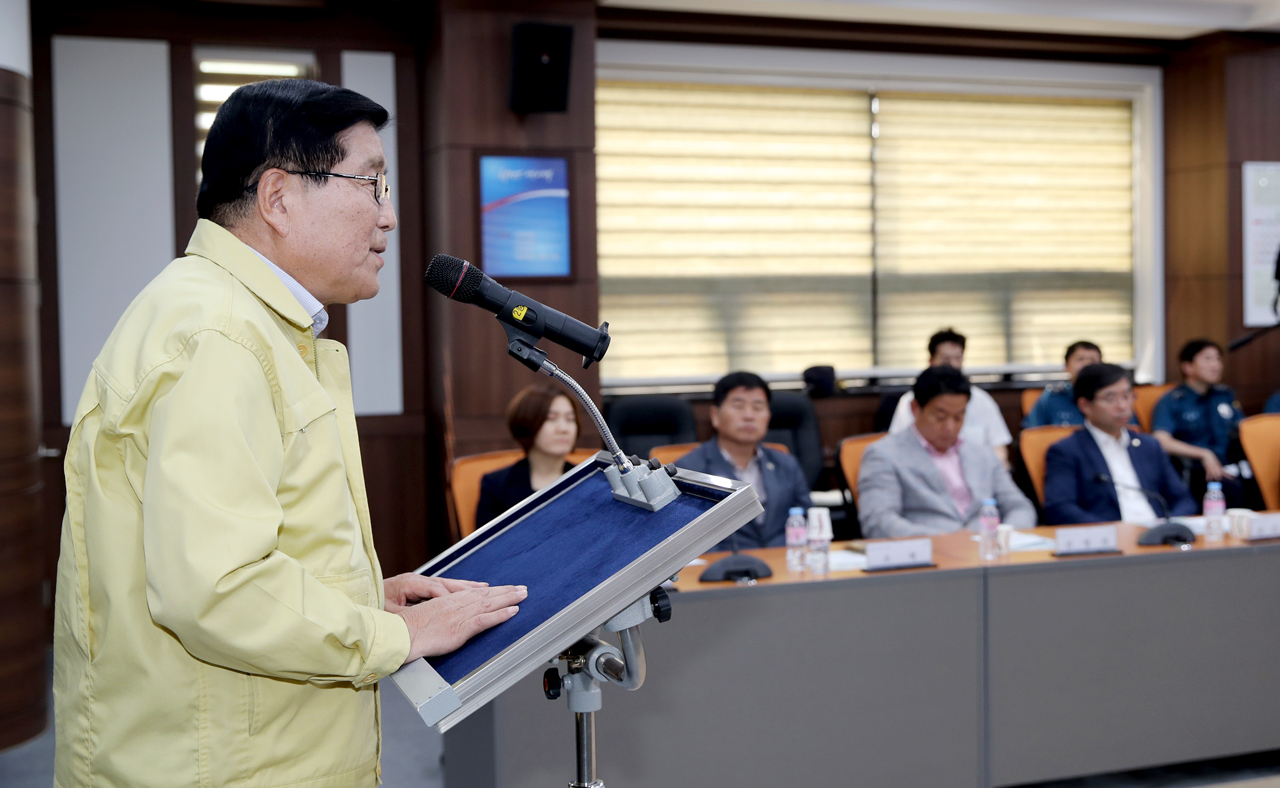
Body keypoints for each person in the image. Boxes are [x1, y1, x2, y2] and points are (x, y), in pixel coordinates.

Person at [53, 80, 526, 788]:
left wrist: (360, 597)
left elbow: (244, 541)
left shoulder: (239, 319)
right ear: (277, 198)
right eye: (371, 184)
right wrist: (395, 636)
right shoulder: (217, 335)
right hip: (220, 766)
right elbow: (217, 589)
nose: (388, 217)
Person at [859, 365, 1035, 538]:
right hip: (930, 557)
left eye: (959, 417)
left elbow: (1019, 506)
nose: (950, 427)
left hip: (987, 552)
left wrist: (1005, 535)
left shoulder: (981, 454)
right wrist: (949, 541)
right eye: (940, 417)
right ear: (915, 408)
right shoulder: (883, 455)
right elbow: (879, 522)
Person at [1042, 364, 1196, 525]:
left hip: (1159, 538)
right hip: (1109, 542)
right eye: (1110, 398)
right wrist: (1110, 533)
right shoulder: (1067, 451)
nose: (1123, 406)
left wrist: (1171, 527)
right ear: (1085, 405)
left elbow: (1183, 499)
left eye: (1127, 396)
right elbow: (1059, 508)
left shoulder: (1149, 446)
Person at [676, 371, 811, 551]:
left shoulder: (786, 464)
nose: (749, 415)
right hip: (723, 571)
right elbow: (686, 539)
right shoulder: (690, 469)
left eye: (758, 407)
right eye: (738, 406)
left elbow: (807, 520)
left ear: (768, 416)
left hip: (785, 565)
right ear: (715, 416)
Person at [888, 328, 1013, 465]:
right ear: (931, 362)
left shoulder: (982, 400)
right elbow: (897, 449)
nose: (953, 366)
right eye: (946, 360)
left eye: (958, 359)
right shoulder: (911, 401)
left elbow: (999, 448)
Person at [1151, 339, 1250, 506]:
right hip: (1198, 471)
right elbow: (1161, 440)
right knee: (1234, 493)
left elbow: (1244, 429)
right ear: (1187, 367)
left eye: (1218, 359)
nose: (1216, 365)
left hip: (1233, 465)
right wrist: (1203, 454)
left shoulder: (1225, 395)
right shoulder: (1172, 401)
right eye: (1208, 359)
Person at [476, 384, 580, 528]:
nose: (563, 429)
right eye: (551, 418)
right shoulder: (496, 485)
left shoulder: (589, 480)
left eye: (570, 419)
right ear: (527, 422)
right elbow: (486, 547)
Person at [1023, 340, 1106, 428]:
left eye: (1092, 360)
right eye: (1080, 359)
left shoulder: (1111, 398)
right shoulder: (1052, 397)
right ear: (1066, 366)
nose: (1086, 364)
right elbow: (1031, 434)